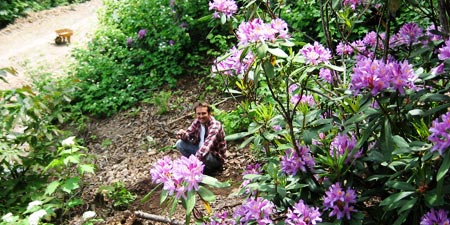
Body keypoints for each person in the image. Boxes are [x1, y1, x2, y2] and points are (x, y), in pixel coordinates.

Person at [175, 102, 226, 175]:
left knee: (205, 156)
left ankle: (207, 169)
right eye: (198, 114)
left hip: (214, 157)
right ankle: (199, 168)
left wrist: (192, 162)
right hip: (200, 151)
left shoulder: (215, 125)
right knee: (180, 144)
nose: (201, 116)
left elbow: (206, 147)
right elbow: (189, 134)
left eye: (203, 113)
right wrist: (183, 135)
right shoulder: (197, 122)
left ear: (209, 113)